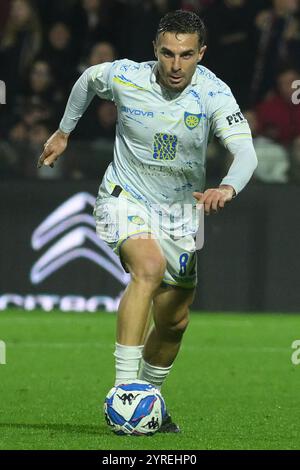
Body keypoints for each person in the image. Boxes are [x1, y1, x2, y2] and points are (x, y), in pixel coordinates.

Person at [37, 10, 257, 432]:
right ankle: (124, 393)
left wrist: (227, 188)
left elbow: (245, 152)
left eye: (187, 55)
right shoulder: (124, 76)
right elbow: (86, 81)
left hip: (180, 212)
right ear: (154, 50)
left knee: (175, 322)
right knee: (149, 268)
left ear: (201, 53)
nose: (176, 65)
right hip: (125, 197)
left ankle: (149, 397)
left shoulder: (214, 93)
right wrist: (64, 131)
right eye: (168, 53)